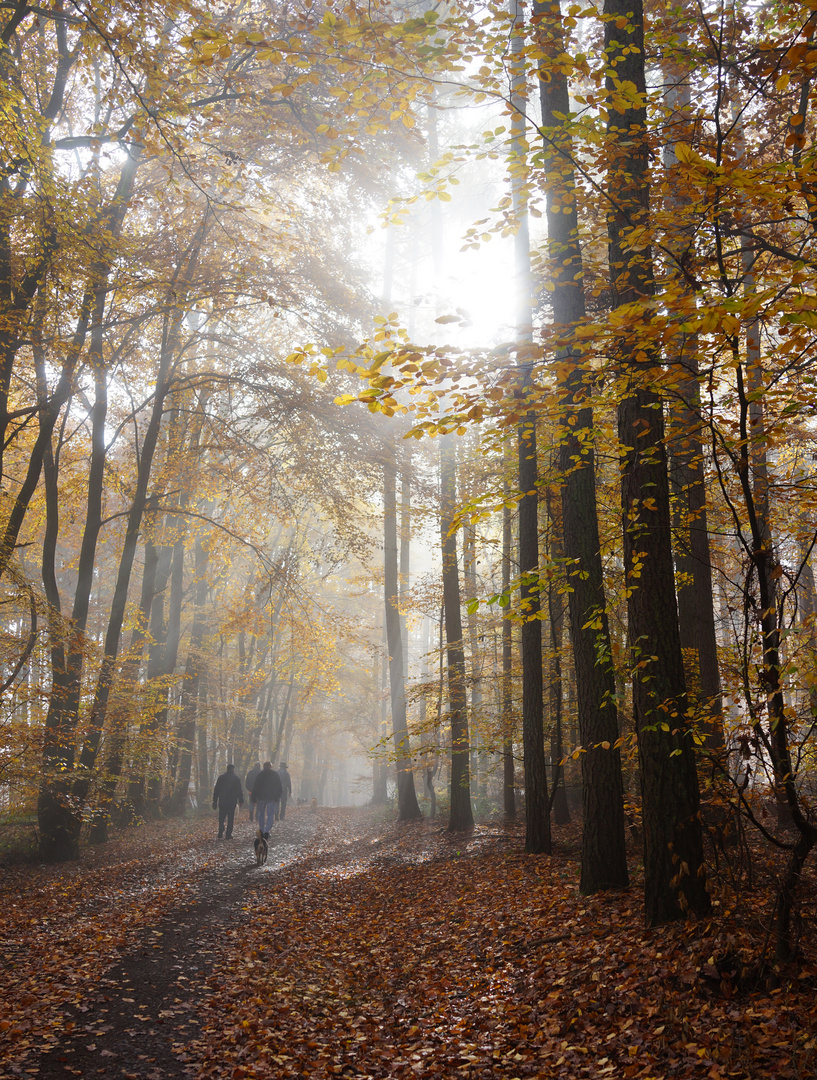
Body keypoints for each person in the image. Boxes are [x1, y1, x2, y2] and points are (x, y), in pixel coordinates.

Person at [251, 761, 282, 840]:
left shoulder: (260, 775)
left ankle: (261, 830)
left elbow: (255, 787)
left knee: (261, 813)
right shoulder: (275, 774)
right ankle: (267, 831)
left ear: (263, 767)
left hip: (261, 797)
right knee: (270, 814)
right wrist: (277, 797)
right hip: (272, 798)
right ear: (270, 766)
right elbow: (279, 787)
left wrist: (254, 797)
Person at [212, 763, 244, 840]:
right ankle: (228, 834)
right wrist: (241, 800)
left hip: (222, 800)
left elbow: (216, 790)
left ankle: (221, 829)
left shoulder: (221, 778)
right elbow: (239, 790)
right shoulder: (236, 779)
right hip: (232, 801)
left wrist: (215, 800)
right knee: (230, 818)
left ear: (227, 769)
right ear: (233, 770)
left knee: (221, 817)